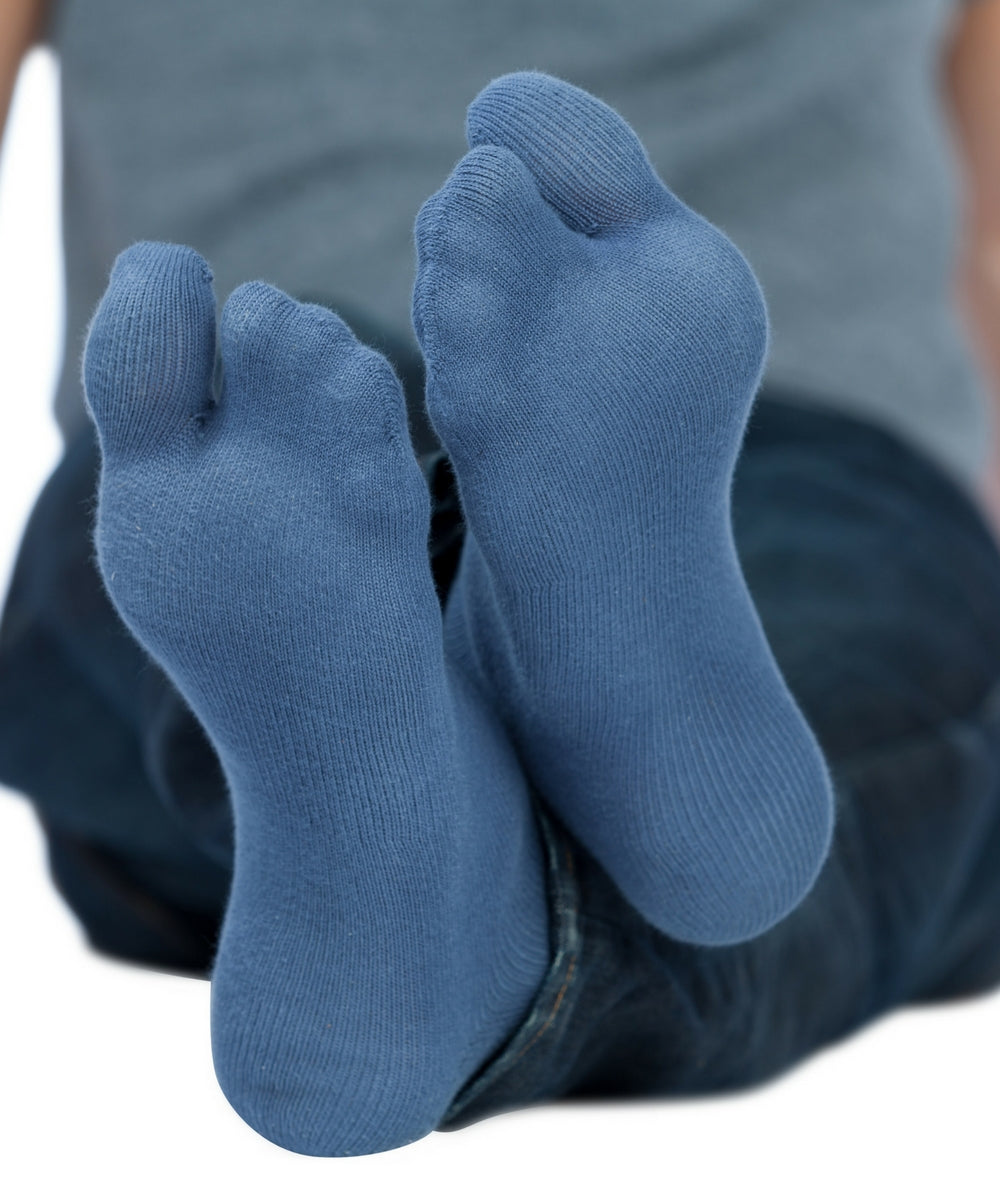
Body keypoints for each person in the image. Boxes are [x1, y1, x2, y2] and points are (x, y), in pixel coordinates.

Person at [2, 0, 1000, 1159]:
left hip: (246, 414)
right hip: (284, 465)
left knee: (171, 603)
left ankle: (406, 877)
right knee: (850, 685)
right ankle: (516, 771)